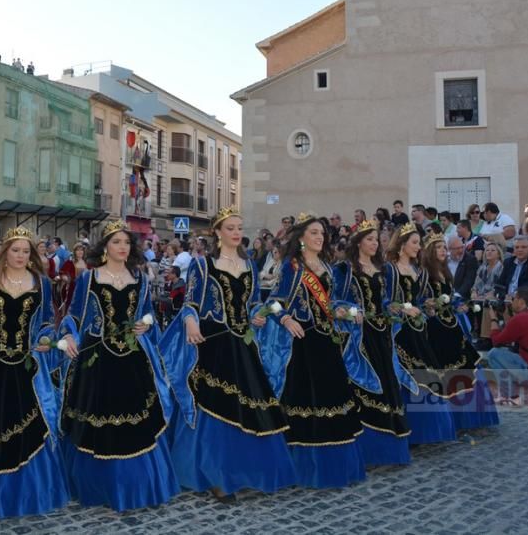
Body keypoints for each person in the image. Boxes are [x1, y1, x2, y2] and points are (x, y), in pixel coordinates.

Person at [162, 208, 295, 500]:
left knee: (249, 404)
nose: (237, 232)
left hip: (242, 344)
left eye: (239, 227)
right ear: (217, 232)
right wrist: (191, 321)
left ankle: (247, 470)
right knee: (216, 405)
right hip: (214, 342)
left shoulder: (250, 266)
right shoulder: (203, 265)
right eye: (230, 228)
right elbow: (191, 303)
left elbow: (254, 304)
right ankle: (215, 474)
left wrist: (259, 315)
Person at [58, 221, 180, 511]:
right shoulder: (90, 278)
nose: (122, 247)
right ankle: (98, 485)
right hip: (97, 356)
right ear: (105, 247)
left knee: (135, 416)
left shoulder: (139, 278)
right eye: (116, 242)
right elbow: (74, 315)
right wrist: (67, 334)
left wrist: (145, 325)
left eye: (126, 242)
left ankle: (138, 484)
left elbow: (148, 313)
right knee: (98, 415)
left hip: (132, 358)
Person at [256, 213, 366, 486]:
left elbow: (330, 304)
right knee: (306, 398)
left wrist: (346, 311)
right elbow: (274, 302)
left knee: (333, 396)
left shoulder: (327, 268)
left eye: (322, 233)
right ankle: (304, 467)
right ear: (302, 239)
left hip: (327, 342)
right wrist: (286, 318)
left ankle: (336, 464)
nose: (320, 237)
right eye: (314, 233)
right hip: (302, 344)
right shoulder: (292, 268)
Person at [0, 227, 69, 517]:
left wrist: (46, 338)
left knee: (29, 427)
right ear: (5, 251)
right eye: (16, 250)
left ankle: (25, 494)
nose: (21, 256)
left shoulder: (41, 282)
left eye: (26, 251)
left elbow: (49, 321)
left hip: (26, 367)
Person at [333, 219, 413, 467]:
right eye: (369, 239)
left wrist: (398, 308)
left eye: (377, 240)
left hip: (382, 333)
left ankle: (389, 450)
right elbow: (334, 300)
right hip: (360, 335)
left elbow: (386, 300)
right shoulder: (345, 270)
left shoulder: (384, 269)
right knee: (365, 385)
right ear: (358, 242)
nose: (374, 243)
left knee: (387, 383)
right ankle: (367, 450)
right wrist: (347, 311)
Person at [384, 223, 456, 444]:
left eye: (419, 243)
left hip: (418, 328)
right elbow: (383, 299)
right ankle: (408, 429)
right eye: (414, 243)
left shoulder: (420, 272)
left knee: (426, 372)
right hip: (398, 329)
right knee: (406, 373)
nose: (418, 247)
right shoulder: (390, 269)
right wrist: (402, 307)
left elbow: (421, 299)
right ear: (402, 244)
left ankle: (428, 430)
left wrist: (429, 303)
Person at [420, 235, 498, 431]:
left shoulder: (445, 272)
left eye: (443, 247)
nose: (442, 251)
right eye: (438, 247)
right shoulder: (424, 274)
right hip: (434, 326)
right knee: (445, 368)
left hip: (451, 323)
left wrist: (458, 305)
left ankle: (472, 415)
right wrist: (427, 304)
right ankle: (452, 418)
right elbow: (419, 298)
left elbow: (449, 297)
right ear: (430, 251)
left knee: (465, 363)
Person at [486, 287, 528, 406]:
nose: (511, 302)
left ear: (521, 302)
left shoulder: (521, 319)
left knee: (494, 353)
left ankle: (510, 396)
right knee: (505, 353)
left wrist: (493, 318)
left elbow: (496, 341)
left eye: (513, 299)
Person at [472, 242, 505, 349]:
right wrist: (474, 292)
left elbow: (499, 286)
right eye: (487, 250)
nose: (489, 252)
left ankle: (487, 338)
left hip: (495, 296)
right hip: (481, 296)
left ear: (498, 254)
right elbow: (476, 284)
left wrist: (487, 295)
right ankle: (478, 335)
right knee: (473, 303)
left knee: (486, 304)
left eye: (492, 250)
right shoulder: (482, 267)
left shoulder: (501, 268)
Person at [496, 236, 528, 300]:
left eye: (523, 247)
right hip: (506, 300)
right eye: (517, 247)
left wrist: (515, 296)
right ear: (514, 250)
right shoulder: (508, 262)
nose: (520, 250)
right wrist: (502, 295)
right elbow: (500, 284)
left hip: (525, 300)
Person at [57, 242, 89, 323]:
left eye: (81, 250)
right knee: (71, 304)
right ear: (74, 252)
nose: (80, 252)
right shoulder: (70, 262)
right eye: (78, 250)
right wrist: (65, 278)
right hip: (73, 287)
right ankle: (69, 321)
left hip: (84, 288)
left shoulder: (87, 263)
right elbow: (62, 272)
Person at [448, 236, 478, 300]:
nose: (461, 250)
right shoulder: (445, 260)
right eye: (457, 248)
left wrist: (457, 295)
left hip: (461, 297)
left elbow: (469, 280)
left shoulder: (470, 259)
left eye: (462, 247)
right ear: (449, 249)